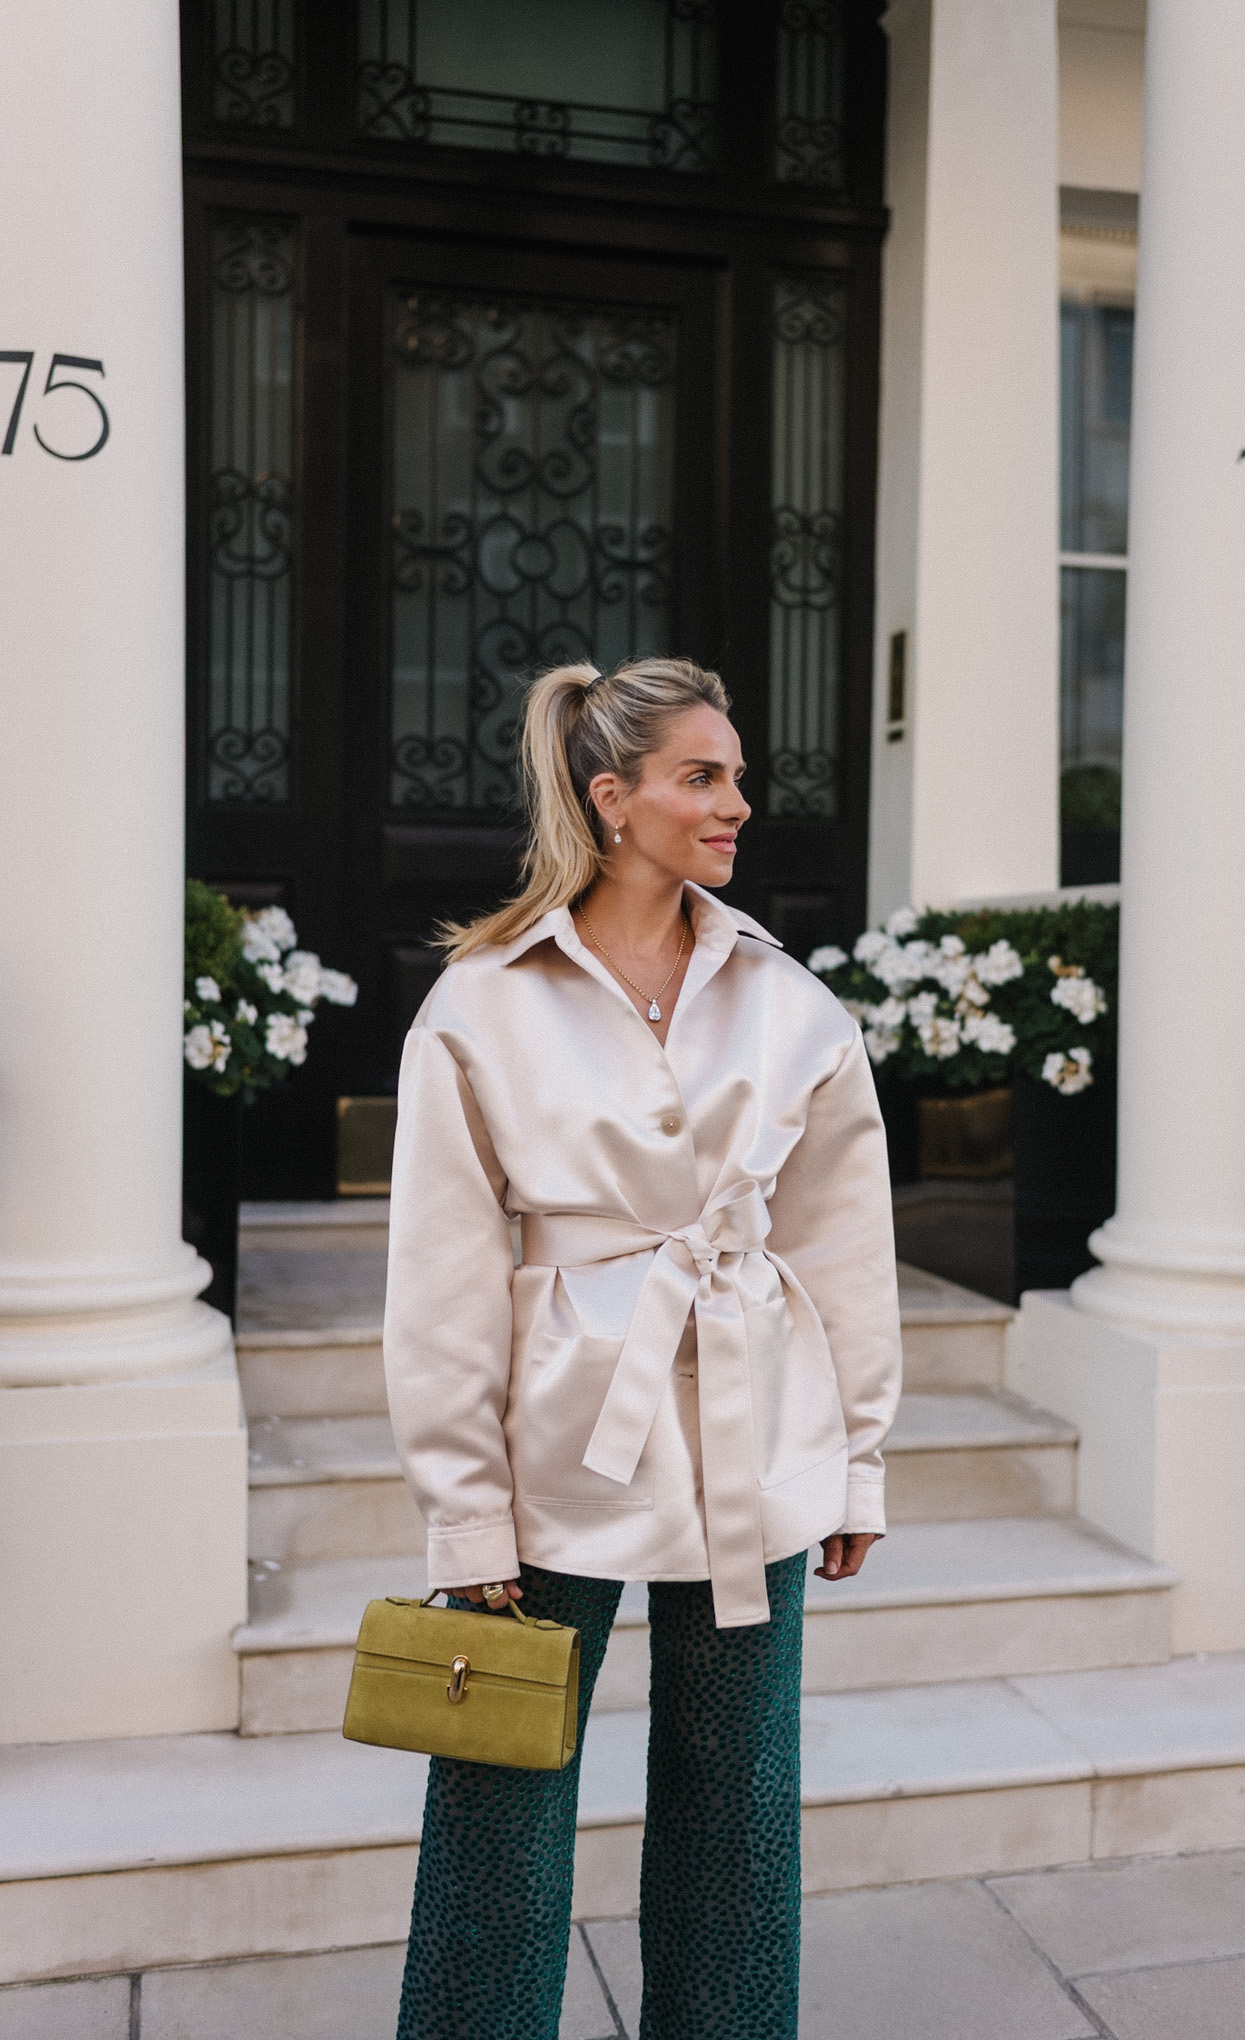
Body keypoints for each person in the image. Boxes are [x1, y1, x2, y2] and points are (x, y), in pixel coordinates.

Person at [384, 656, 902, 2040]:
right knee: (500, 1801)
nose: (738, 802)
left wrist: (856, 1464)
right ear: (612, 798)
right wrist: (464, 1515)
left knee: (739, 1808)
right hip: (560, 1445)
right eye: (703, 776)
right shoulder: (484, 1000)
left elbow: (844, 1240)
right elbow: (440, 1273)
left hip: (758, 1433)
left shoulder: (789, 1000)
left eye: (736, 775)